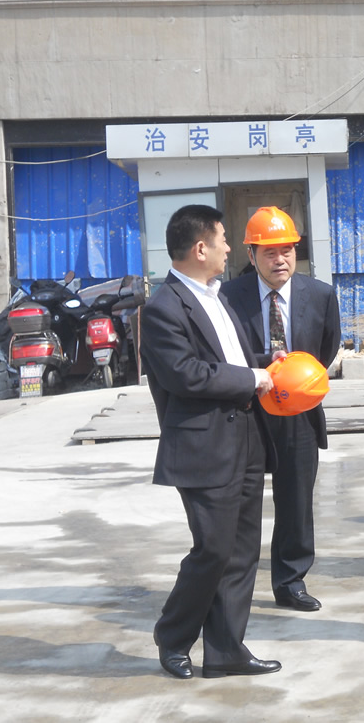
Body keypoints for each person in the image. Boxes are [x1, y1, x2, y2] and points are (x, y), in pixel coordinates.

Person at [140, 204, 281, 680]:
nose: (228, 247)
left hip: (245, 437)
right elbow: (186, 374)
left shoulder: (218, 297)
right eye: (222, 239)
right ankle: (172, 635)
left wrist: (267, 361)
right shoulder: (163, 309)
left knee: (242, 551)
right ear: (200, 248)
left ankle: (225, 650)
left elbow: (228, 357)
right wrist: (252, 377)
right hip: (204, 447)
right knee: (214, 550)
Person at [223, 206, 342, 613]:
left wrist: (297, 381)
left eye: (287, 250)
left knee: (296, 500)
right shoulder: (228, 298)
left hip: (298, 413)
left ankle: (290, 581)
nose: (280, 260)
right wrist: (265, 367)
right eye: (270, 252)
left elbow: (326, 348)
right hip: (247, 410)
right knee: (241, 502)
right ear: (251, 255)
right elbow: (226, 354)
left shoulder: (321, 295)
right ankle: (231, 583)